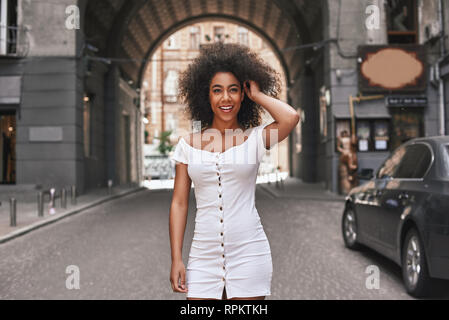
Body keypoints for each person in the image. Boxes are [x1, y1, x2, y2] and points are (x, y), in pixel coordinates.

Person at [169, 42, 299, 300]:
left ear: (243, 95)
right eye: (217, 90)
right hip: (202, 255)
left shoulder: (255, 139)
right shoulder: (187, 145)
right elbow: (179, 203)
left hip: (250, 252)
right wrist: (176, 259)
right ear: (206, 96)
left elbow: (290, 117)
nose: (225, 98)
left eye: (233, 90)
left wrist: (258, 95)